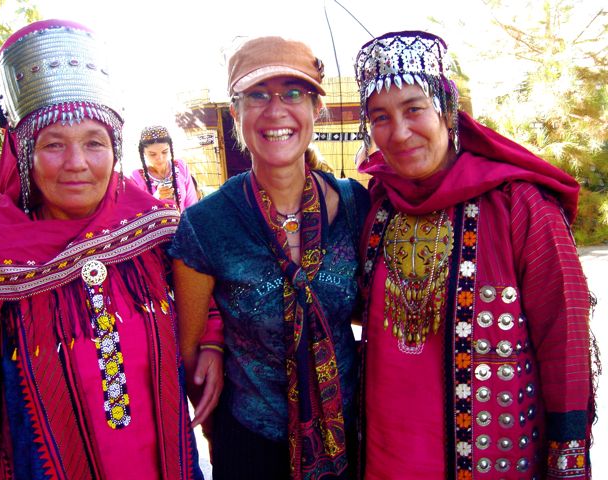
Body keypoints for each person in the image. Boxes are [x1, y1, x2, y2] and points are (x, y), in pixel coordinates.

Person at [0, 19, 214, 479]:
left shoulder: (158, 233)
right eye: (54, 144)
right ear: (25, 155)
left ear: (116, 149)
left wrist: (213, 345)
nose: (77, 163)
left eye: (94, 143)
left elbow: (209, 296)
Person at [353, 31, 595, 479]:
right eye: (380, 117)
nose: (400, 132)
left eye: (414, 109)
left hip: (490, 460)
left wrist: (568, 460)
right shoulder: (380, 204)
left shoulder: (520, 204)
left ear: (447, 111)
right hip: (385, 457)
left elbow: (565, 339)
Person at [169, 36, 370, 480]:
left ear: (316, 108)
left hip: (352, 434)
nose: (276, 110)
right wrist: (211, 344)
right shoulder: (207, 225)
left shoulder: (354, 204)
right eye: (257, 95)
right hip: (251, 446)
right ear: (236, 113)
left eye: (293, 93)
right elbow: (189, 350)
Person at [130, 125, 198, 211]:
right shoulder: (136, 177)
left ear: (170, 148)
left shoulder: (181, 167)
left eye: (164, 152)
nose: (160, 158)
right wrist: (156, 197)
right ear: (143, 152)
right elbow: (135, 212)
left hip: (185, 223)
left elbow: (192, 203)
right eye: (152, 154)